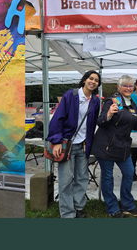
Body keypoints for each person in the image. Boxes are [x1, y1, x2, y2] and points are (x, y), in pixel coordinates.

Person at [91, 75, 137, 218]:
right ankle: (112, 208)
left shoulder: (132, 103)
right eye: (125, 86)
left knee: (129, 173)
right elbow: (100, 121)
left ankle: (127, 204)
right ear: (119, 87)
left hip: (123, 146)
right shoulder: (112, 101)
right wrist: (109, 114)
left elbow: (134, 124)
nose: (128, 88)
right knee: (107, 177)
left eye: (130, 86)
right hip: (106, 146)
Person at [46, 71, 101, 218]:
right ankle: (68, 213)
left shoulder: (95, 101)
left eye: (96, 80)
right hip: (67, 145)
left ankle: (78, 207)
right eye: (91, 78)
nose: (93, 82)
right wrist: (56, 141)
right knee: (66, 180)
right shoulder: (71, 95)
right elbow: (58, 118)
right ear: (84, 80)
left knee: (82, 178)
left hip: (83, 146)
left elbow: (94, 122)